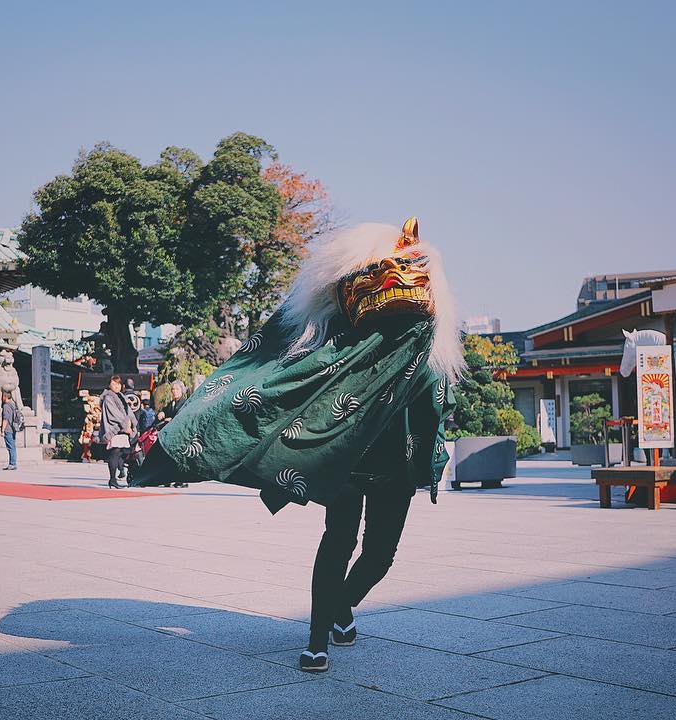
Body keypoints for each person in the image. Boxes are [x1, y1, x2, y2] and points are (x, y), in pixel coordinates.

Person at [132, 218, 464, 672]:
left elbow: (434, 405)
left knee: (379, 556)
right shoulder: (336, 339)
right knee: (338, 543)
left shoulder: (425, 346)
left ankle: (339, 609)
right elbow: (268, 363)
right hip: (343, 455)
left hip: (397, 461)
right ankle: (316, 640)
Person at [99, 375, 135, 489]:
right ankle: (112, 479)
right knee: (115, 452)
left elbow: (128, 412)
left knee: (119, 452)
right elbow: (115, 415)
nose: (116, 386)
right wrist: (126, 424)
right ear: (109, 385)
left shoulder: (121, 397)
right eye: (114, 384)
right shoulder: (108, 398)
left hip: (122, 429)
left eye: (118, 384)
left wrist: (133, 423)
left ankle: (114, 478)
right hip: (115, 429)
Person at [1, 391, 20, 471]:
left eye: (2, 396)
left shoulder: (6, 406)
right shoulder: (13, 405)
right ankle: (13, 463)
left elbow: (6, 419)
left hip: (8, 428)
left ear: (5, 397)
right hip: (13, 428)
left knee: (10, 447)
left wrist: (2, 430)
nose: (1, 398)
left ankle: (12, 463)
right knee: (13, 446)